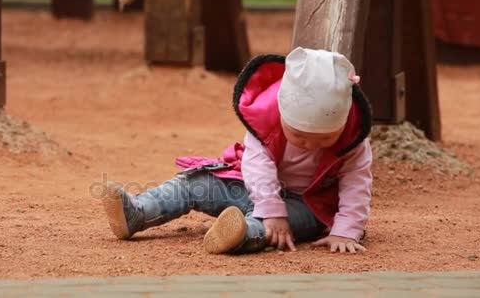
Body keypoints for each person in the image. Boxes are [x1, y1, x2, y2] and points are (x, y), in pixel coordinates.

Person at [102, 47, 373, 254]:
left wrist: (346, 231)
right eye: (299, 135)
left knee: (268, 226)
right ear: (281, 114)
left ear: (343, 122)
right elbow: (257, 166)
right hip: (248, 185)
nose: (310, 144)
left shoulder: (352, 141)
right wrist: (270, 207)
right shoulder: (266, 123)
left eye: (324, 139)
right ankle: (138, 211)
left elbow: (356, 184)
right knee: (195, 183)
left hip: (306, 205)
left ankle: (238, 234)